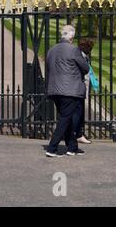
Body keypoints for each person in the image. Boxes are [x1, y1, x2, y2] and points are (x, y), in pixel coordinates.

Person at [45, 25, 90, 157]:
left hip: (54, 89)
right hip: (69, 90)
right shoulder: (73, 50)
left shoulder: (51, 50)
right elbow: (85, 68)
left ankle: (72, 147)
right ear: (71, 36)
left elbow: (48, 69)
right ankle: (52, 147)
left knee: (67, 118)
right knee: (65, 119)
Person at [75, 39, 94, 145]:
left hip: (79, 87)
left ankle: (78, 133)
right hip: (79, 88)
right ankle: (78, 134)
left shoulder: (81, 56)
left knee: (78, 111)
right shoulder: (81, 56)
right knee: (78, 112)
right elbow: (85, 69)